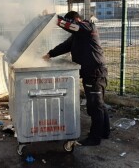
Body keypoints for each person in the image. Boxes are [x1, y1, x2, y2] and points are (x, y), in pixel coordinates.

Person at [43, 11, 110, 146]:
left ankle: (94, 138)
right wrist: (49, 54)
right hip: (91, 73)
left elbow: (70, 25)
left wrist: (53, 19)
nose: (70, 27)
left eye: (72, 23)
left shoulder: (87, 27)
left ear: (77, 20)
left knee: (95, 106)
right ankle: (104, 131)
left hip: (95, 73)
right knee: (98, 104)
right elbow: (64, 46)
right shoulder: (78, 35)